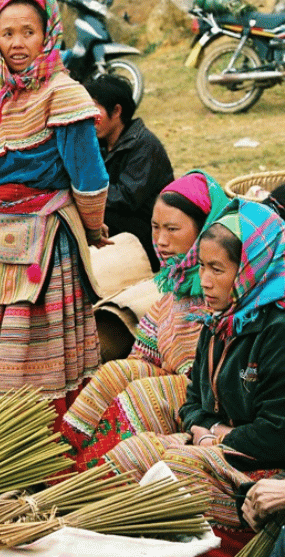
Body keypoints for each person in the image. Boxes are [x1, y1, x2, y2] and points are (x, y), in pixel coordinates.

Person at [0, 0, 109, 428]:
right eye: (7, 33)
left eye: (28, 32)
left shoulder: (63, 94)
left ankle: (41, 428)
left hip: (46, 240)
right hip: (0, 235)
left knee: (35, 336)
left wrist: (92, 227)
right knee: (1, 332)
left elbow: (89, 176)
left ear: (48, 34)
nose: (17, 43)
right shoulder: (3, 97)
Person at [103, 199, 285, 530]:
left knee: (174, 473)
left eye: (217, 269)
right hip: (218, 443)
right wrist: (207, 433)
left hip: (268, 471)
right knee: (133, 453)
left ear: (252, 268)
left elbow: (276, 434)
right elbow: (193, 401)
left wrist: (216, 439)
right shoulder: (220, 319)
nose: (205, 281)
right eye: (201, 266)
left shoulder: (277, 330)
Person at [61, 171, 229, 470]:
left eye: (172, 229)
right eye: (155, 227)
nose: (161, 241)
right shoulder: (174, 289)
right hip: (180, 392)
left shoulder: (224, 289)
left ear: (205, 229)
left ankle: (98, 474)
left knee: (143, 395)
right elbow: (143, 354)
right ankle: (67, 458)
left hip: (210, 407)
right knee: (115, 372)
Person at [85, 75, 174, 271]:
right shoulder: (97, 142)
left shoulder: (145, 145)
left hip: (149, 232)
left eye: (93, 110)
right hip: (120, 222)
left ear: (117, 111)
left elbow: (126, 198)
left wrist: (85, 193)